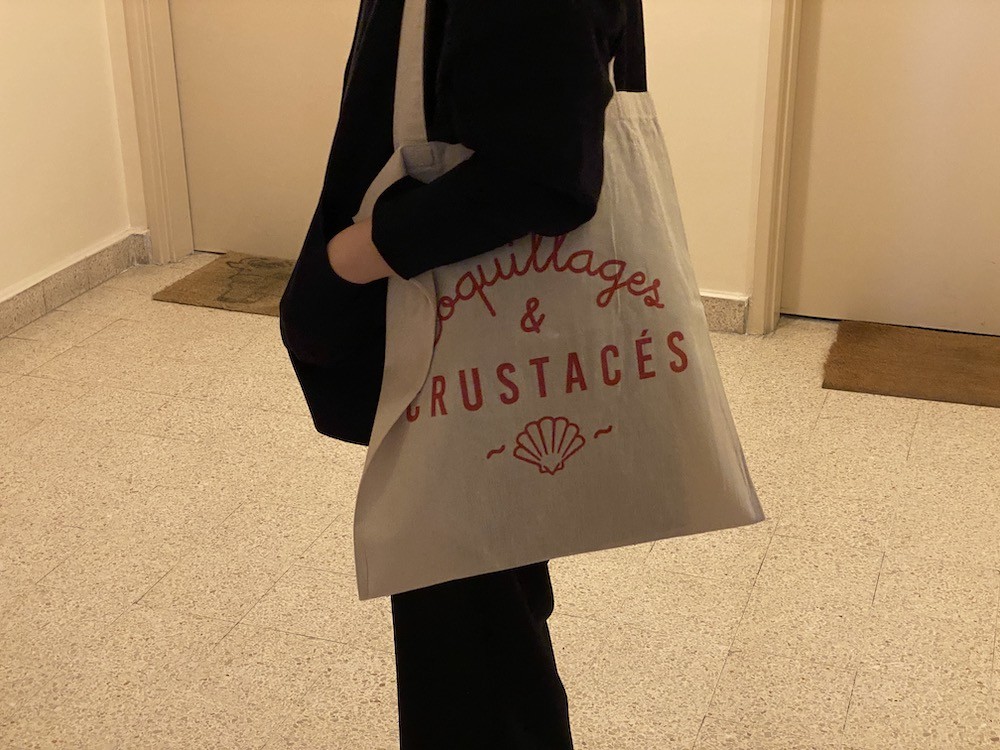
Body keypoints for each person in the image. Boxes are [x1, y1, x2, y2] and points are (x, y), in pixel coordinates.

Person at [279, 1, 647, 747]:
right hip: (477, 328)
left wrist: (352, 257)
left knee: (468, 648)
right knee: (485, 618)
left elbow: (543, 168)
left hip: (455, 330)